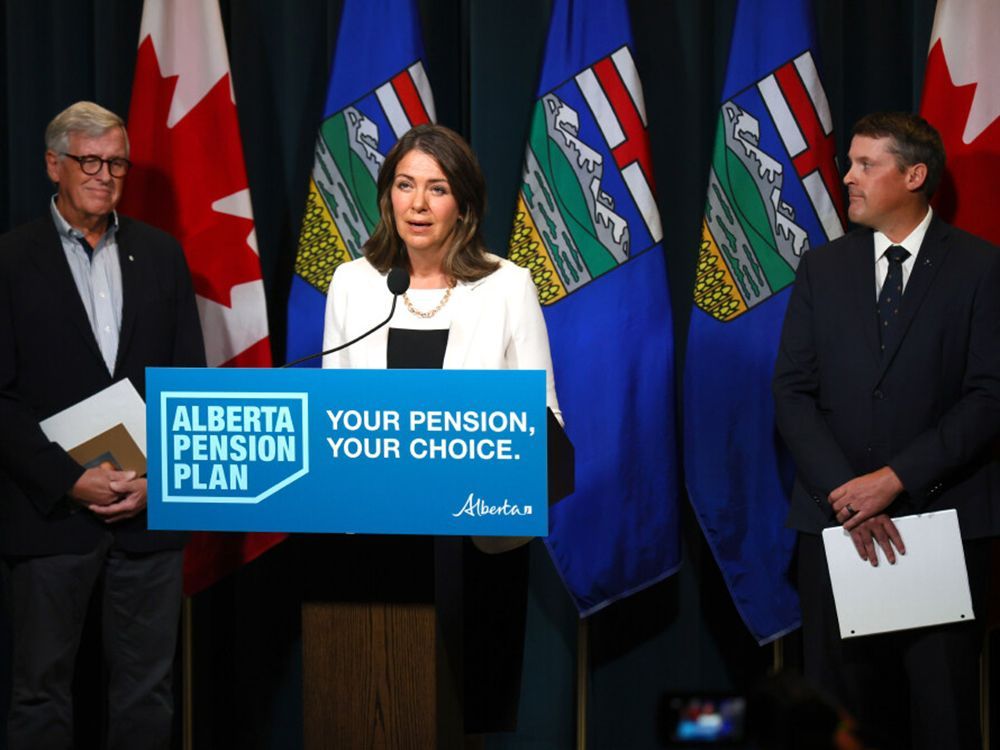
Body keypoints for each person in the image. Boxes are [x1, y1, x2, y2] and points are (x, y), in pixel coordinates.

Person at [321, 123, 560, 732]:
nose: (419, 204)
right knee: (380, 709)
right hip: (375, 538)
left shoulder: (507, 285)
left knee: (466, 713)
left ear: (464, 205)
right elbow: (331, 413)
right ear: (387, 197)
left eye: (437, 188)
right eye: (405, 186)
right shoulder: (353, 283)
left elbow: (546, 416)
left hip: (479, 543)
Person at [772, 111, 1000, 750]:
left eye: (865, 164)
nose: (847, 177)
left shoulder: (981, 269)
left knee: (943, 718)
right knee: (837, 723)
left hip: (940, 526)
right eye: (851, 162)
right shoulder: (821, 269)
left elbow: (990, 397)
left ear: (915, 174)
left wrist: (894, 481)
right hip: (836, 523)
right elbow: (792, 391)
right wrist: (850, 491)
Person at [0, 101, 205, 749]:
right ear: (53, 165)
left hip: (148, 513)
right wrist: (70, 481)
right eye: (88, 160)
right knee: (41, 693)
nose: (104, 174)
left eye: (116, 161)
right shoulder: (9, 259)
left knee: (149, 691)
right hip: (50, 515)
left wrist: (159, 482)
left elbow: (187, 385)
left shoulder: (162, 255)